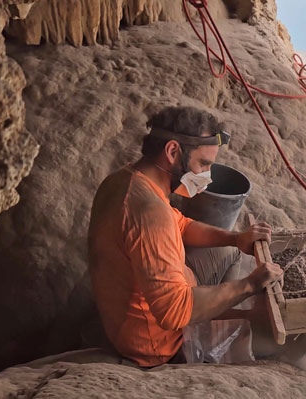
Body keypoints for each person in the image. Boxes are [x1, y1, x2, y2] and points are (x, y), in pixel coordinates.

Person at [87, 106, 282, 367]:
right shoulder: (148, 212)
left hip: (140, 309)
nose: (207, 177)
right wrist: (248, 286)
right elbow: (174, 311)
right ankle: (215, 346)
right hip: (156, 341)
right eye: (203, 164)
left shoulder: (126, 180)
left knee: (234, 252)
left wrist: (235, 238)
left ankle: (224, 309)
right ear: (172, 152)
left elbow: (181, 224)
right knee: (261, 324)